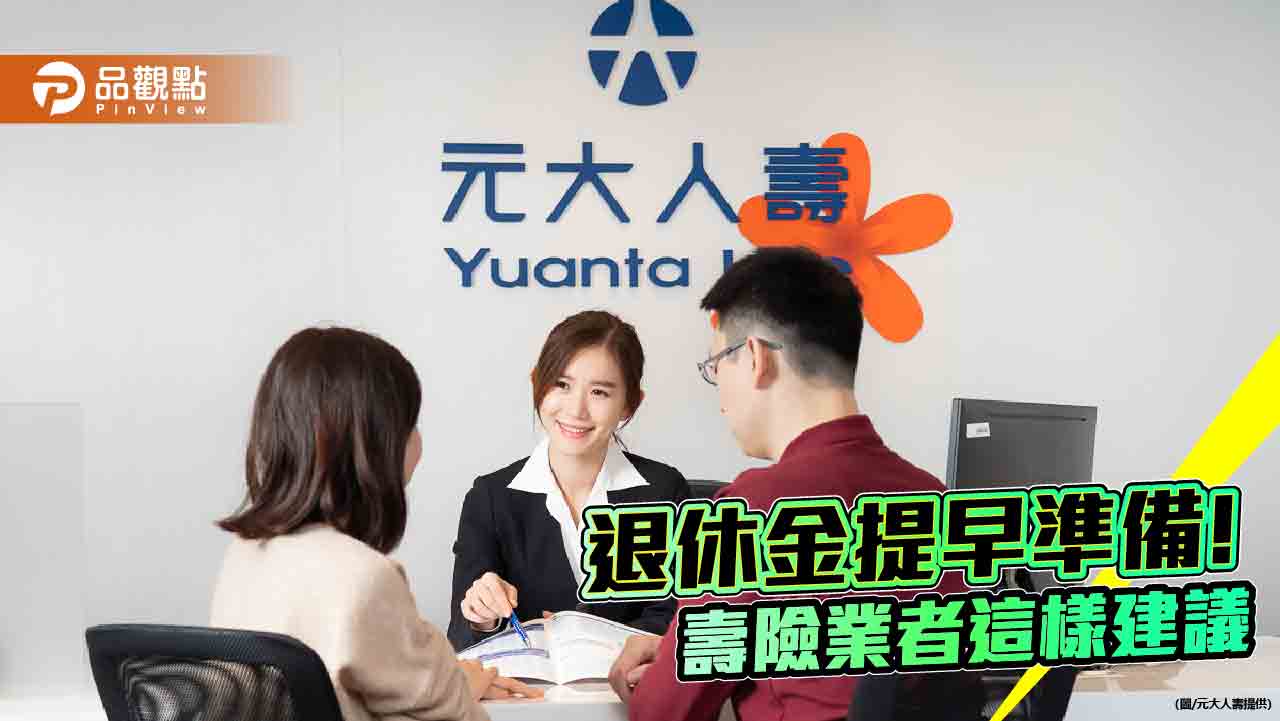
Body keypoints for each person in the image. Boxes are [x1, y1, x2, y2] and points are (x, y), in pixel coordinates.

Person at [607, 247, 968, 721]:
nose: (720, 394)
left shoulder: (752, 509)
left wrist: (665, 672)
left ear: (755, 358)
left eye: (717, 365)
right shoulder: (938, 498)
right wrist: (681, 646)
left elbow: (664, 713)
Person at [211, 327, 541, 721]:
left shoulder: (246, 554)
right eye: (411, 424)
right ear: (377, 443)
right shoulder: (364, 578)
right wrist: (459, 686)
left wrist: (454, 683)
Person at [448, 310, 691, 651]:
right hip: (526, 685)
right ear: (537, 383)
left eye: (599, 392)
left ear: (629, 404)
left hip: (629, 684)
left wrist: (582, 634)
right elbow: (461, 637)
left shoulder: (664, 491)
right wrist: (481, 617)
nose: (576, 410)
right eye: (561, 385)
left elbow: (677, 618)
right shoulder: (490, 498)